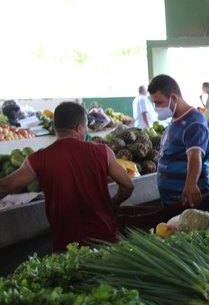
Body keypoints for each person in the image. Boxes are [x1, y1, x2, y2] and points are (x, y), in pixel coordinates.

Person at [0, 102, 134, 251]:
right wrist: (113, 203)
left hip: (67, 247)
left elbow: (4, 186)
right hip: (105, 239)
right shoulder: (103, 152)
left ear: (55, 126)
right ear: (79, 128)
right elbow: (128, 186)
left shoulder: (38, 159)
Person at [148, 74, 209, 212]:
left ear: (173, 98)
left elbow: (195, 155)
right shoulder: (175, 121)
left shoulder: (195, 123)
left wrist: (190, 184)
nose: (156, 107)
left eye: (159, 102)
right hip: (174, 204)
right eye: (154, 103)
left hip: (191, 204)